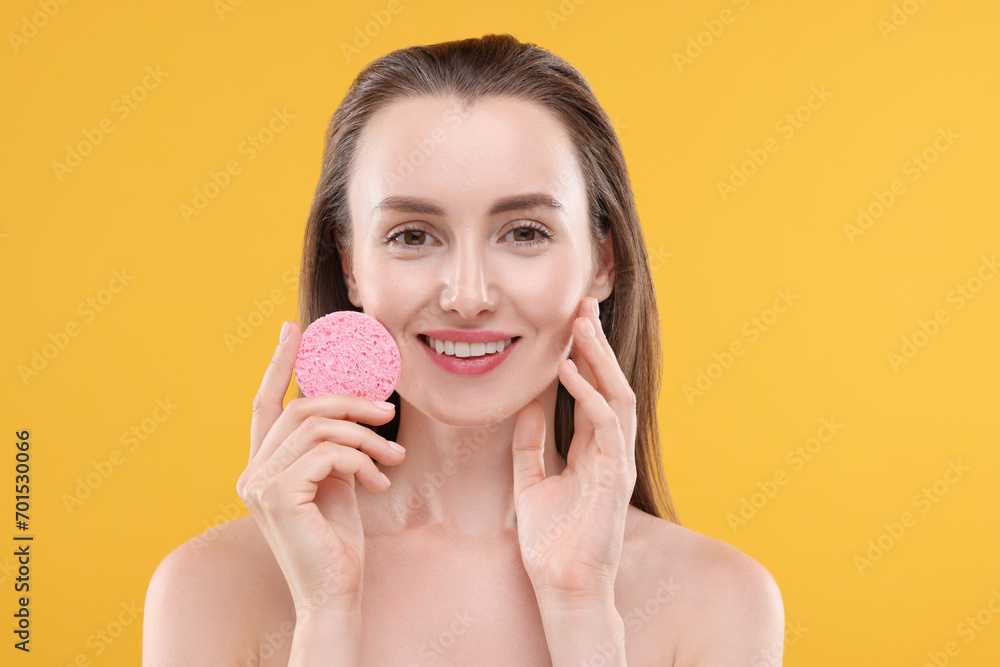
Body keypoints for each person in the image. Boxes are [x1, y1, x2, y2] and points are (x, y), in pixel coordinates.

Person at [143, 33, 784, 666]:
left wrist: (583, 613)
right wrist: (324, 617)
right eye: (414, 235)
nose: (468, 296)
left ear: (602, 262)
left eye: (525, 231)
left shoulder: (720, 601)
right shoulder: (212, 590)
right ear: (351, 266)